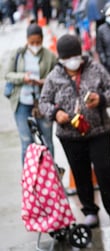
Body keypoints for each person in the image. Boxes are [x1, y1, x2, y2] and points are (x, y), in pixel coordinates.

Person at [39, 34, 110, 228]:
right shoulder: (54, 76)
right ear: (61, 59)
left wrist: (101, 99)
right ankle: (89, 211)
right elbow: (43, 102)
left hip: (99, 130)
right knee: (80, 172)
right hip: (70, 135)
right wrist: (56, 113)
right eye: (68, 58)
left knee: (104, 169)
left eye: (75, 56)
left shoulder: (94, 68)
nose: (73, 61)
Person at [4, 23, 57, 165]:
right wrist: (23, 78)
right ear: (27, 40)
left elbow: (57, 77)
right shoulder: (17, 54)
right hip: (22, 103)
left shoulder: (50, 56)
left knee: (47, 141)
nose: (35, 45)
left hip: (42, 104)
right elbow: (8, 75)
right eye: (32, 42)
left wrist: (44, 82)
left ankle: (49, 176)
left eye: (38, 42)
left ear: (42, 39)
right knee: (26, 142)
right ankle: (29, 178)